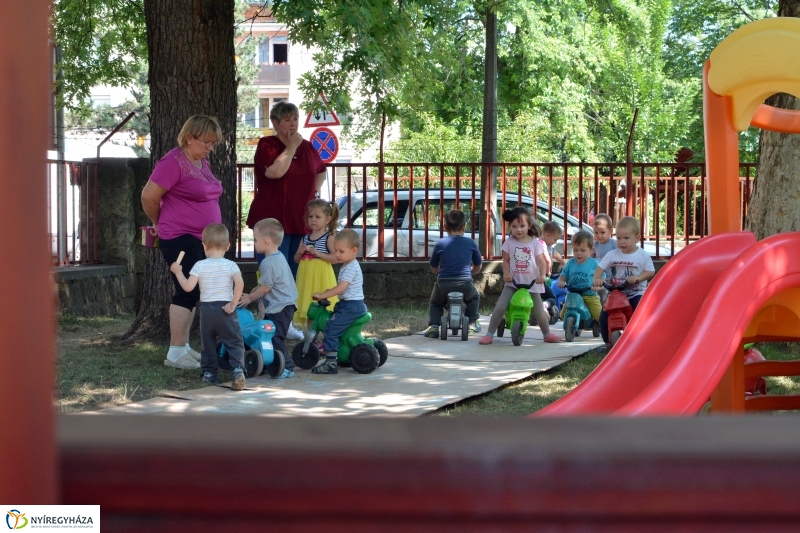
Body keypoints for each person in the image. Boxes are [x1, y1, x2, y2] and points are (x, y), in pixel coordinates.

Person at [141, 114, 224, 370]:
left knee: (195, 290)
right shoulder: (173, 162)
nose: (210, 148)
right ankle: (175, 352)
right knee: (186, 290)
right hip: (179, 236)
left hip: (200, 238)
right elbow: (148, 196)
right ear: (190, 138)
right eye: (206, 142)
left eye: (213, 143)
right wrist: (158, 222)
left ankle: (184, 346)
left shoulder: (200, 161)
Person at [246, 101, 327, 277]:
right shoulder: (267, 144)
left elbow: (321, 170)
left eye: (296, 119)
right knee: (274, 272)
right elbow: (275, 172)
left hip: (300, 217)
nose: (293, 123)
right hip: (272, 220)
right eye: (288, 119)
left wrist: (313, 192)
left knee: (295, 273)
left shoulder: (306, 147)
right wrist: (291, 147)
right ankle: (269, 305)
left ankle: (291, 305)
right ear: (276, 123)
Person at [169, 224, 246, 390]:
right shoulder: (231, 265)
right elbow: (239, 283)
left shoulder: (199, 265)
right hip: (225, 309)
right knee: (233, 340)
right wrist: (233, 303)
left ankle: (210, 373)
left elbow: (188, 287)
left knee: (208, 342)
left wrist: (178, 272)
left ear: (204, 245)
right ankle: (238, 369)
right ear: (227, 246)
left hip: (206, 310)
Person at [480, 207, 560, 345]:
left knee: (539, 310)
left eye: (522, 226)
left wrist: (542, 275)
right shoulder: (509, 242)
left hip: (533, 283)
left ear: (529, 225)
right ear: (510, 226)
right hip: (513, 283)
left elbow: (541, 261)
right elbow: (505, 260)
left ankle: (547, 334)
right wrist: (506, 273)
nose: (518, 229)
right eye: (514, 226)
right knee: (500, 307)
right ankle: (489, 334)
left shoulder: (535, 243)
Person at [238, 218, 297, 379]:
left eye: (255, 240)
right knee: (267, 336)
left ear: (266, 241)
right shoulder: (278, 257)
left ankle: (288, 367)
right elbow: (264, 284)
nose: (254, 243)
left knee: (275, 337)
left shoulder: (269, 262)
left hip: (281, 306)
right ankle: (268, 363)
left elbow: (265, 288)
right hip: (283, 304)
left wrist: (250, 297)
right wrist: (253, 292)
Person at [310, 229, 367, 375]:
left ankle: (330, 363)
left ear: (354, 250)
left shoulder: (350, 268)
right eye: (336, 250)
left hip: (351, 307)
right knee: (338, 329)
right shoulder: (348, 265)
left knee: (331, 329)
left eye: (341, 251)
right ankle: (342, 355)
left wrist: (323, 295)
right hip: (348, 305)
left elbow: (341, 289)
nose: (337, 254)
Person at [592, 216, 655, 346]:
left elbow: (650, 271)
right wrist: (597, 278)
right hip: (616, 293)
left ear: (637, 238)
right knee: (604, 315)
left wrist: (638, 278)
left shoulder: (642, 255)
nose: (622, 242)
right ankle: (607, 343)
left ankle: (642, 339)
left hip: (636, 293)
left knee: (639, 312)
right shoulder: (612, 254)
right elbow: (600, 267)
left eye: (626, 238)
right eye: (619, 238)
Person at [424, 210, 482, 338]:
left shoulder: (440, 244)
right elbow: (478, 266)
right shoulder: (470, 243)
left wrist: (439, 272)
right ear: (464, 227)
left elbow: (434, 266)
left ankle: (434, 326)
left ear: (445, 227)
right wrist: (472, 272)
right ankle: (472, 322)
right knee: (474, 298)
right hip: (465, 282)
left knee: (436, 302)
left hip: (444, 283)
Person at [293, 199, 340, 328]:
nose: (313, 220)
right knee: (309, 306)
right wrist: (300, 253)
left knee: (323, 306)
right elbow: (296, 259)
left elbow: (336, 258)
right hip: (306, 278)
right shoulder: (305, 238)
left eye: (317, 217)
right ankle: (311, 337)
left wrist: (319, 254)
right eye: (310, 216)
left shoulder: (328, 238)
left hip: (321, 277)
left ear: (327, 219)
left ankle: (326, 335)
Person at [557, 230, 601, 325]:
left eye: (583, 250)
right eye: (575, 250)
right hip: (573, 293)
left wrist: (597, 284)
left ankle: (601, 325)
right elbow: (564, 274)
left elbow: (601, 276)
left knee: (600, 316)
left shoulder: (594, 263)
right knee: (563, 314)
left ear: (591, 250)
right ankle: (569, 321)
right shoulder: (571, 263)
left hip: (588, 294)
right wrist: (561, 281)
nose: (578, 253)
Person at [592, 213, 616, 304]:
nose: (599, 235)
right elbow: (591, 257)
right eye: (596, 232)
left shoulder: (614, 244)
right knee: (599, 298)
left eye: (602, 232)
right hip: (599, 277)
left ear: (610, 231)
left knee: (609, 298)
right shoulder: (596, 244)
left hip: (611, 277)